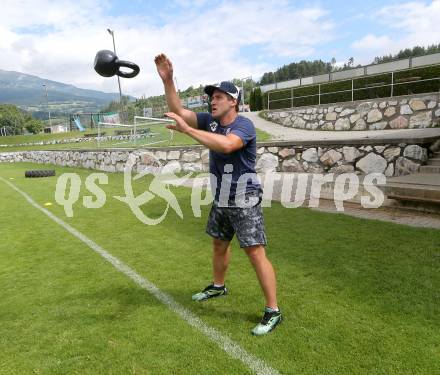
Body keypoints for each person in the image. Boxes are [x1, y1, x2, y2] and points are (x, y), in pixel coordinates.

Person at [154, 53, 282, 335]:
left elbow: (227, 145)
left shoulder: (244, 125)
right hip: (221, 197)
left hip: (244, 197)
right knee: (218, 245)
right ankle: (218, 286)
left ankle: (273, 310)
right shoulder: (209, 122)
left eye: (219, 96)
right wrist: (168, 81)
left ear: (233, 101)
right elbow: (178, 109)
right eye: (211, 97)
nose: (212, 100)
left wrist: (187, 130)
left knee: (254, 252)